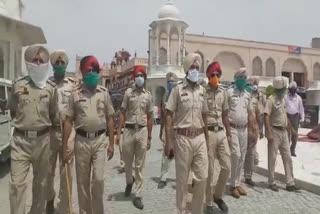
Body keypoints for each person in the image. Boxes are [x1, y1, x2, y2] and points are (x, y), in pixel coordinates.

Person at [62, 56, 115, 214]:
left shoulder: (104, 93)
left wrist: (112, 143)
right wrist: (65, 146)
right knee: (82, 182)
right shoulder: (75, 94)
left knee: (98, 180)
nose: (91, 73)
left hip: (99, 140)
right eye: (88, 70)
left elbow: (110, 119)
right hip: (81, 141)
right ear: (83, 73)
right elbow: (68, 121)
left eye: (94, 70)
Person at [8, 45, 56, 214]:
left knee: (40, 183)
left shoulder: (51, 89)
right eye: (34, 60)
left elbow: (53, 114)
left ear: (45, 63)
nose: (37, 63)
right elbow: (13, 111)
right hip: (20, 141)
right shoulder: (18, 85)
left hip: (43, 142)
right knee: (16, 184)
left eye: (41, 60)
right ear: (28, 62)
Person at [165, 53, 209, 214]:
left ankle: (197, 210)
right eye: (192, 67)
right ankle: (181, 210)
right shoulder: (177, 90)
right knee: (182, 181)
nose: (195, 70)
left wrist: (207, 138)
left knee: (202, 177)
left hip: (200, 138)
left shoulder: (202, 90)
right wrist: (169, 142)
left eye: (197, 68)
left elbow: (205, 115)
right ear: (186, 69)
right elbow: (168, 114)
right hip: (182, 138)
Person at [116, 65, 153, 210]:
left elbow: (150, 116)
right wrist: (118, 133)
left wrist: (150, 137)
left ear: (144, 78)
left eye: (142, 76)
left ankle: (138, 195)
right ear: (134, 78)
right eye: (138, 75)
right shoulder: (128, 93)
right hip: (129, 130)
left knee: (140, 164)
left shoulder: (148, 95)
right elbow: (122, 112)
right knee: (127, 161)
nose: (140, 78)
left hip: (142, 131)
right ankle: (129, 181)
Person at [46, 50, 76, 214]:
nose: (59, 66)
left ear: (65, 65)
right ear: (52, 65)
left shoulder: (72, 85)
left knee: (66, 171)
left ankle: (64, 207)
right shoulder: (46, 84)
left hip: (68, 132)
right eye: (56, 63)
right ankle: (49, 200)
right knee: (48, 171)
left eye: (61, 63)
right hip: (50, 132)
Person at [226, 68, 257, 198]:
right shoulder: (229, 93)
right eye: (241, 77)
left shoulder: (247, 94)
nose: (243, 80)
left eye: (245, 77)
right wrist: (226, 131)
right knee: (236, 155)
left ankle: (237, 183)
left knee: (242, 156)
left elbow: (250, 113)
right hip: (232, 128)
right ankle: (233, 185)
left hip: (244, 129)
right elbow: (224, 112)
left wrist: (253, 130)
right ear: (236, 78)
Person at [265, 76, 299, 192]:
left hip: (284, 132)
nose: (286, 90)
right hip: (274, 131)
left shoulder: (283, 99)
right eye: (284, 88)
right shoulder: (271, 99)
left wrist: (293, 129)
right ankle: (271, 181)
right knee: (272, 158)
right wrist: (268, 133)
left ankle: (290, 182)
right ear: (280, 88)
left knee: (287, 157)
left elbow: (285, 116)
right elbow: (266, 116)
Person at [205, 62, 231, 213]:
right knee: (209, 170)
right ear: (208, 76)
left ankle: (218, 196)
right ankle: (208, 202)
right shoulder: (203, 91)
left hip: (221, 132)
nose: (215, 77)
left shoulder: (224, 92)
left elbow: (226, 114)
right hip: (208, 133)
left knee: (226, 166)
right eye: (213, 75)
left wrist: (228, 133)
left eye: (218, 75)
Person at [158, 72, 178, 189]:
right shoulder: (165, 96)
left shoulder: (179, 94)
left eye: (172, 81)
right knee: (166, 155)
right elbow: (163, 116)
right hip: (168, 128)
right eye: (168, 81)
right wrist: (161, 131)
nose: (170, 83)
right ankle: (163, 177)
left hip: (179, 129)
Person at [244, 77, 261, 186]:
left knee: (250, 154)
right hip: (242, 128)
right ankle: (235, 179)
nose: (252, 86)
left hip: (252, 129)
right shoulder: (242, 97)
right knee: (240, 154)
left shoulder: (256, 99)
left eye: (254, 84)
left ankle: (248, 177)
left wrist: (258, 129)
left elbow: (258, 114)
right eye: (250, 84)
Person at [285, 81, 305, 157]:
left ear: (296, 89)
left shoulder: (299, 98)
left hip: (296, 117)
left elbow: (301, 109)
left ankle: (292, 150)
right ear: (289, 89)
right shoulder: (285, 97)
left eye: (294, 88)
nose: (293, 90)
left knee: (295, 134)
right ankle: (286, 150)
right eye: (291, 88)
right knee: (287, 134)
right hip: (287, 116)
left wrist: (302, 119)